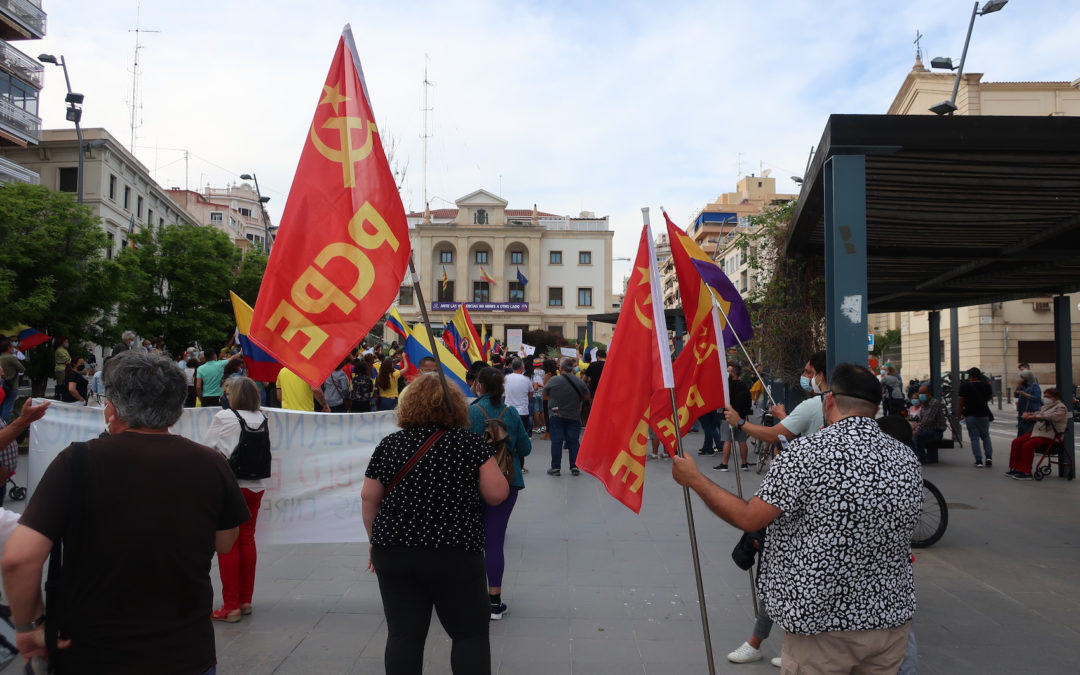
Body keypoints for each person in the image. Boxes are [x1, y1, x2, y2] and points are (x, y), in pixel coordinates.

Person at [1, 351, 249, 674]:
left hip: (92, 654)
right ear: (175, 411)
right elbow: (225, 542)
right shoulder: (210, 463)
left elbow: (18, 559)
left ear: (113, 409)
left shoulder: (76, 462)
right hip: (186, 654)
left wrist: (29, 626)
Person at [672, 364, 922, 673]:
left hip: (823, 629)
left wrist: (695, 480)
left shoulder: (806, 454)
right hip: (889, 624)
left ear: (828, 400)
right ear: (876, 407)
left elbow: (750, 518)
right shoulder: (905, 457)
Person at [361, 370, 508, 674]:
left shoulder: (390, 444)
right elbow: (497, 494)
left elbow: (368, 497)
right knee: (469, 635)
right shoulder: (469, 444)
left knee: (404, 635)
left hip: (395, 549)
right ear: (455, 406)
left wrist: (374, 541)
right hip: (454, 550)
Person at [202, 377, 269, 622]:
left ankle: (230, 606)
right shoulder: (262, 417)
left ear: (236, 395)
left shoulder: (225, 417)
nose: (226, 397)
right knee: (248, 539)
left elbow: (208, 449)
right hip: (256, 486)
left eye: (229, 393)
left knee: (227, 543)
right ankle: (245, 600)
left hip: (231, 486)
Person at [468, 367, 531, 620]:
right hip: (507, 481)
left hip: (472, 483)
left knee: (468, 542)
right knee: (494, 542)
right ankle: (494, 602)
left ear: (479, 386)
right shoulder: (512, 412)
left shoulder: (470, 411)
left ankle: (466, 596)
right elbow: (525, 446)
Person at [723, 351, 828, 452]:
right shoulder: (838, 401)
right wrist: (783, 416)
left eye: (809, 372)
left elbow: (773, 435)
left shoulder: (810, 406)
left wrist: (739, 422)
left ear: (820, 376)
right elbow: (798, 429)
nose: (805, 376)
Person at [1006, 387, 1068, 480]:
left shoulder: (1061, 407)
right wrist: (1029, 414)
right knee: (1017, 442)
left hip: (1051, 434)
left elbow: (1053, 417)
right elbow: (1038, 412)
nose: (1045, 398)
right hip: (1039, 432)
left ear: (1055, 397)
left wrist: (1036, 416)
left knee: (1028, 445)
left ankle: (1026, 472)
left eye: (1048, 396)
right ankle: (1016, 468)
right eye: (1045, 396)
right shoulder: (1046, 406)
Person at [543, 358, 590, 476]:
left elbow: (544, 393)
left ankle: (555, 468)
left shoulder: (554, 380)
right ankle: (574, 466)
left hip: (556, 413)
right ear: (573, 368)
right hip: (573, 414)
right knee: (573, 441)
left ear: (561, 368)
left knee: (557, 441)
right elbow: (587, 396)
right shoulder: (579, 382)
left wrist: (555, 399)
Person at [717, 364, 753, 471]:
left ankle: (724, 464)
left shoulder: (728, 386)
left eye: (728, 371)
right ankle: (744, 464)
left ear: (733, 373)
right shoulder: (744, 385)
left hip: (729, 415)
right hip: (741, 416)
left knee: (727, 440)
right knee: (742, 441)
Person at [958, 367, 994, 467]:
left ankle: (978, 461)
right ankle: (989, 457)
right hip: (984, 414)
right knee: (986, 436)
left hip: (970, 414)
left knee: (974, 438)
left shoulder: (964, 386)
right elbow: (990, 397)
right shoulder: (986, 385)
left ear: (970, 376)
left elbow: (960, 402)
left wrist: (959, 415)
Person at [912, 384, 947, 464]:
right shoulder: (924, 404)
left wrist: (916, 430)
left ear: (929, 393)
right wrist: (913, 428)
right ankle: (922, 457)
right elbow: (922, 420)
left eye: (923, 393)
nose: (921, 395)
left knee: (917, 437)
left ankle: (921, 458)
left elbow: (927, 420)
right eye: (920, 393)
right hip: (927, 430)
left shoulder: (934, 403)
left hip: (936, 431)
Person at [503, 358, 533, 436]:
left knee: (510, 434)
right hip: (523, 411)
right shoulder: (526, 379)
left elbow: (503, 392)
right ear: (522, 367)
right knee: (522, 434)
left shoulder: (506, 378)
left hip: (508, 410)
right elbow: (531, 394)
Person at [0, 339, 26, 422]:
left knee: (2, 406)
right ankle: (4, 426)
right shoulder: (11, 357)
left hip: (2, 385)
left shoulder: (0, 357)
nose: (13, 348)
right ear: (8, 348)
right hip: (12, 385)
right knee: (8, 407)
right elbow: (22, 369)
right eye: (12, 346)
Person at [1014, 366, 1042, 436]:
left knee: (1027, 431)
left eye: (1023, 378)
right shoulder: (1022, 385)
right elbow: (1016, 394)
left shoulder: (1034, 386)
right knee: (1021, 430)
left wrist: (1024, 394)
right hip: (1022, 410)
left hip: (1030, 410)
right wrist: (1018, 385)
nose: (1021, 379)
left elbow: (1037, 398)